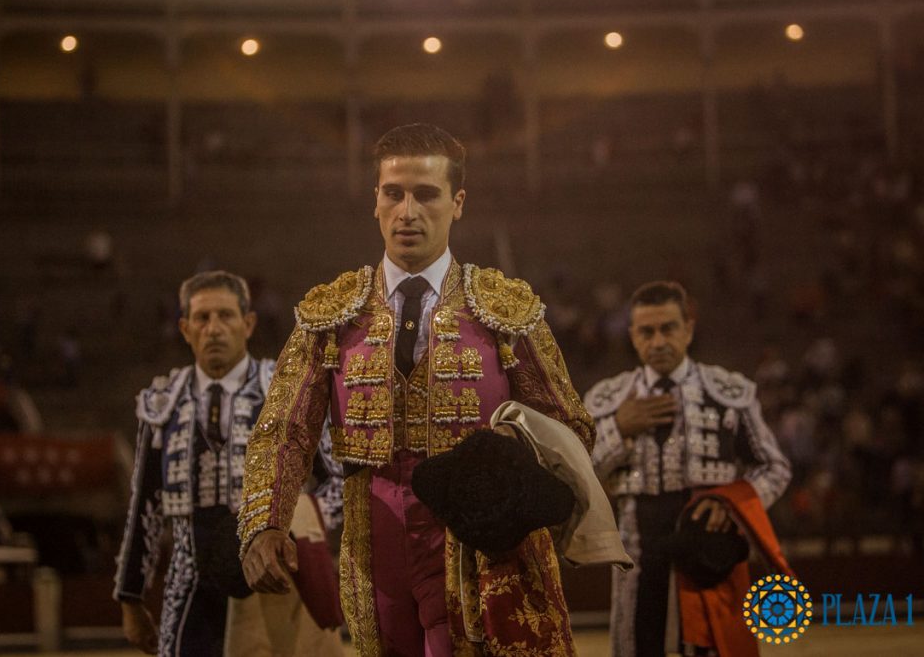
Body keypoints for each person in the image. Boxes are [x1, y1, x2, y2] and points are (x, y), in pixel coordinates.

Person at [238, 123, 595, 655]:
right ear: (375, 202)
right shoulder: (331, 314)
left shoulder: (504, 309)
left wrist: (511, 477)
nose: (407, 211)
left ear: (457, 203)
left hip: (479, 541)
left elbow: (570, 428)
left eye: (426, 194)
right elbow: (283, 429)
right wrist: (264, 522)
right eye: (393, 193)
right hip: (372, 535)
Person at [113, 270, 342, 657]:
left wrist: (297, 527)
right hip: (189, 584)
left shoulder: (283, 390)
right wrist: (130, 598)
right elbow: (145, 508)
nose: (214, 329)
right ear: (185, 329)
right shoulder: (162, 402)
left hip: (271, 579)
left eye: (226, 316)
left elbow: (334, 484)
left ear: (248, 323)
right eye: (202, 318)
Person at [586, 281, 792, 656]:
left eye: (668, 328)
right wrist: (619, 430)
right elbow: (581, 477)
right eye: (647, 331)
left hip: (707, 550)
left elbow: (774, 467)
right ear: (633, 336)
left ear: (689, 330)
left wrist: (733, 503)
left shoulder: (727, 392)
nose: (658, 341)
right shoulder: (609, 400)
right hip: (636, 554)